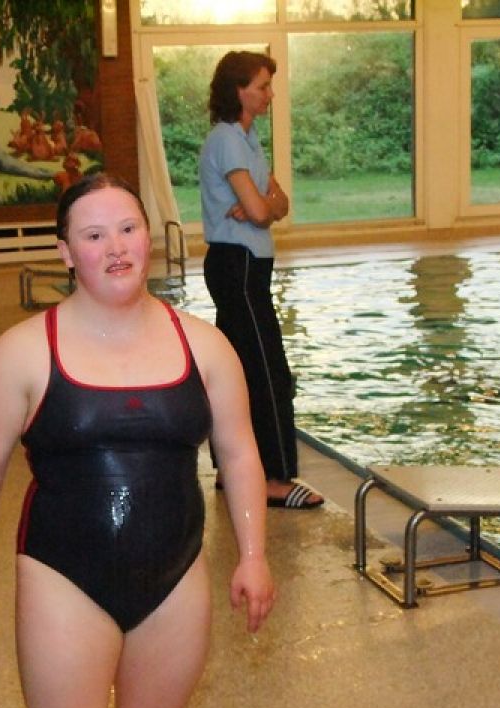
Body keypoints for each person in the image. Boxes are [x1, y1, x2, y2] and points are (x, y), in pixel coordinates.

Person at [0, 172, 276, 708]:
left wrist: (253, 556)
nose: (116, 247)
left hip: (174, 573)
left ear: (148, 237)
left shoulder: (206, 346)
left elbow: (239, 452)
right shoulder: (22, 351)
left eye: (128, 228)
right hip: (64, 575)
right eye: (94, 235)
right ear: (66, 252)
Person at [199, 50, 323, 510]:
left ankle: (232, 470)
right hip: (239, 266)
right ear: (239, 91)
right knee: (269, 373)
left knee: (237, 373)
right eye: (262, 86)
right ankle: (272, 477)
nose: (270, 94)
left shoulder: (247, 139)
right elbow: (259, 209)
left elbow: (278, 202)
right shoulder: (227, 140)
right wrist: (261, 207)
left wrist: (262, 207)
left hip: (246, 266)